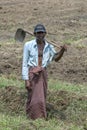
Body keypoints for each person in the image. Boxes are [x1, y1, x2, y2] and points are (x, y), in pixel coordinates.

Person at [22, 24, 67, 120]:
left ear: (45, 34)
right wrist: (26, 79)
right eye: (38, 33)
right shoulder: (28, 45)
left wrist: (62, 51)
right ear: (34, 34)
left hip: (43, 74)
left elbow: (56, 58)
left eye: (42, 32)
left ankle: (40, 117)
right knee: (32, 97)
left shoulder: (49, 46)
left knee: (41, 97)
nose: (40, 35)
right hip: (32, 73)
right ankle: (31, 117)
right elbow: (25, 64)